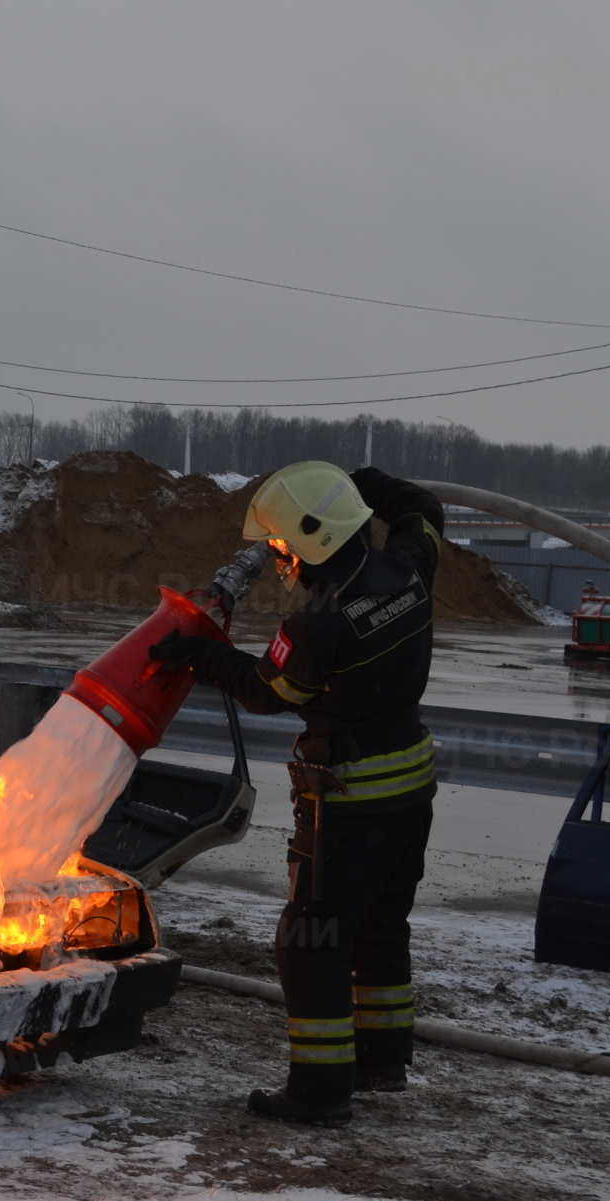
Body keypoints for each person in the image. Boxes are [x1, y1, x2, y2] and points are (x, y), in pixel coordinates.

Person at [152, 462, 444, 1127]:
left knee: (310, 938)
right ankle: (382, 1061)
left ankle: (319, 1090)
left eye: (283, 545)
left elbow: (268, 690)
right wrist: (368, 479)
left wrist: (196, 653)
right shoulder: (409, 565)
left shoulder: (318, 623)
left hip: (347, 800)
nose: (279, 558)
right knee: (380, 925)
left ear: (311, 541)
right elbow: (422, 502)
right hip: (411, 788)